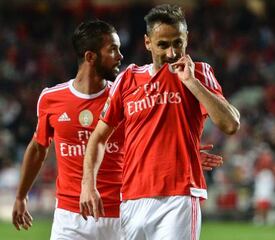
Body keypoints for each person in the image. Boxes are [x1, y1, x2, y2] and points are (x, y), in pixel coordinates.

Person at [11, 19, 223, 240]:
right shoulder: (51, 99)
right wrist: (20, 196)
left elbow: (153, 138)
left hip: (119, 214)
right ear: (90, 57)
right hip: (70, 216)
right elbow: (38, 149)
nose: (121, 56)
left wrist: (182, 154)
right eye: (113, 50)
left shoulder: (126, 96)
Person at [80, 4, 240, 240]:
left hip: (179, 196)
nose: (172, 52)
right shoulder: (128, 78)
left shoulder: (199, 72)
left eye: (178, 42)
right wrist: (88, 185)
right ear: (147, 43)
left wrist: (191, 82)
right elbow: (99, 137)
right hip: (132, 198)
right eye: (163, 45)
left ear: (187, 38)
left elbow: (230, 124)